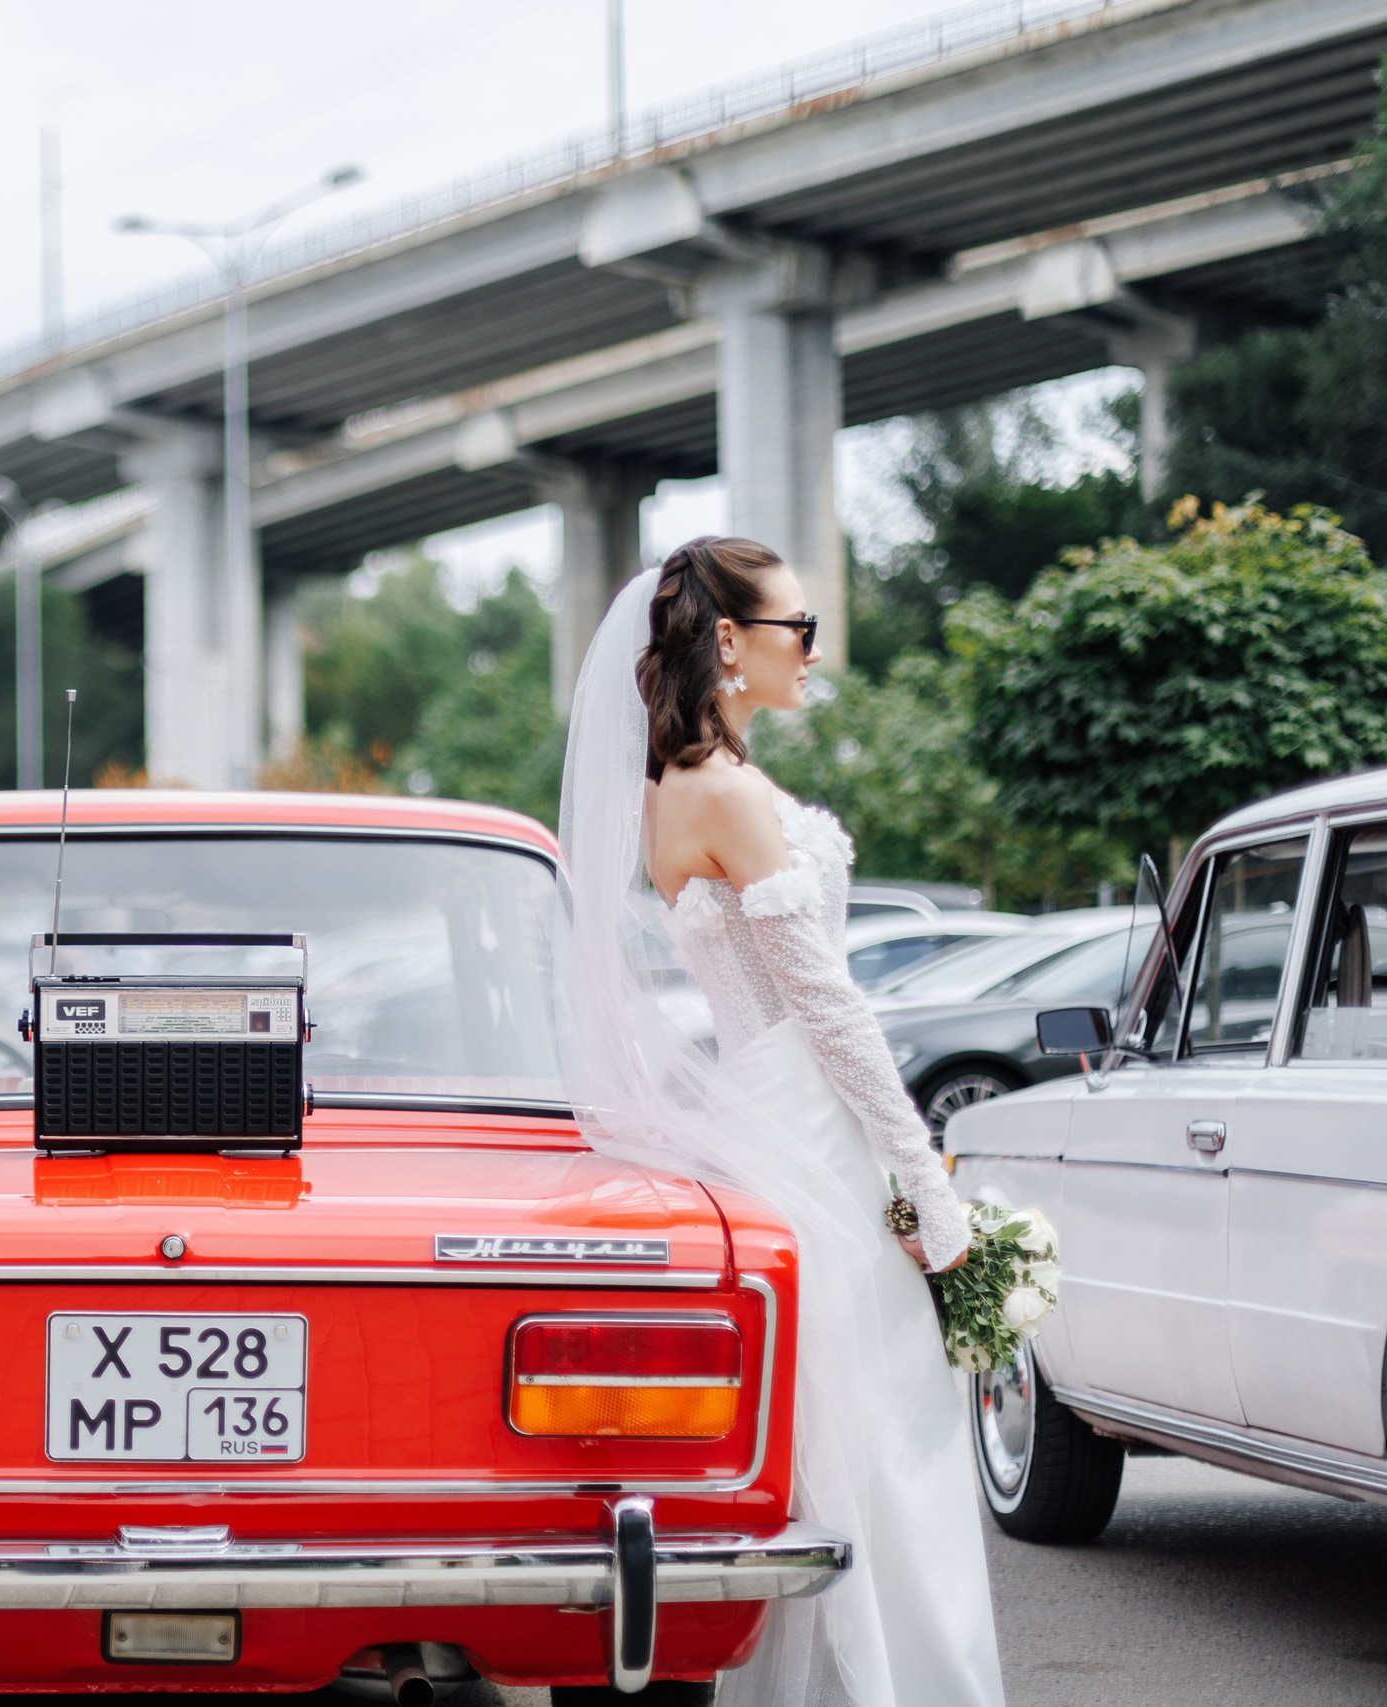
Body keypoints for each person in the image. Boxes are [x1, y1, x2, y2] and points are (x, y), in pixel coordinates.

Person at [556, 536, 1004, 1706]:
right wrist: (925, 1181)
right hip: (810, 1126)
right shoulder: (728, 795)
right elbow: (832, 1013)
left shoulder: (674, 788)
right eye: (797, 628)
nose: (814, 650)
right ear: (727, 643)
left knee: (830, 1439)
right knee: (884, 1435)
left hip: (764, 1110)